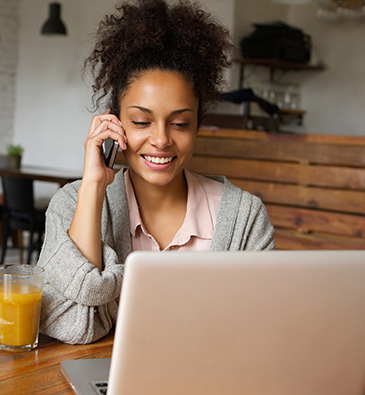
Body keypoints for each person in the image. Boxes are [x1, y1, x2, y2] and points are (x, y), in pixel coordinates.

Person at [37, 0, 275, 345]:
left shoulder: (245, 218)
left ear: (197, 126)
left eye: (180, 123)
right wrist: (93, 186)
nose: (162, 139)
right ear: (114, 123)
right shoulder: (71, 204)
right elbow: (71, 325)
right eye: (141, 122)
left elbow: (260, 334)